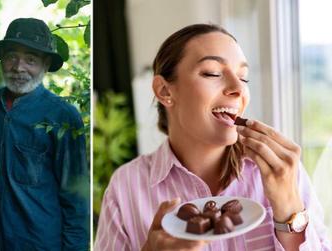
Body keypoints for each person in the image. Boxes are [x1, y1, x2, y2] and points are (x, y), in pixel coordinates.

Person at [95, 24, 331, 250]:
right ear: (165, 91)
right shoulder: (125, 187)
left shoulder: (284, 172)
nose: (238, 89)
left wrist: (289, 207)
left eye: (244, 77)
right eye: (212, 73)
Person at [0, 18, 89, 250]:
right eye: (11, 57)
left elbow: (76, 199)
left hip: (39, 242)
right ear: (2, 59)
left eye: (31, 60)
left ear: (45, 65)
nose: (19, 67)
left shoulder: (62, 116)